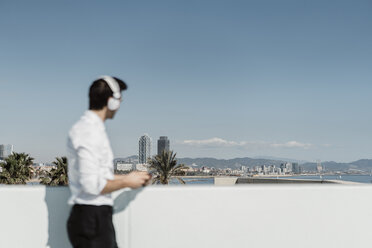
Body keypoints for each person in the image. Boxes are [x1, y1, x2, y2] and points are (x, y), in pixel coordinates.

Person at [66, 76, 151, 248]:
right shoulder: (89, 131)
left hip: (95, 218)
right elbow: (91, 185)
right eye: (120, 101)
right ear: (111, 101)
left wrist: (131, 178)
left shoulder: (93, 128)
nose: (119, 106)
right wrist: (127, 182)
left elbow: (99, 175)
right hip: (92, 220)